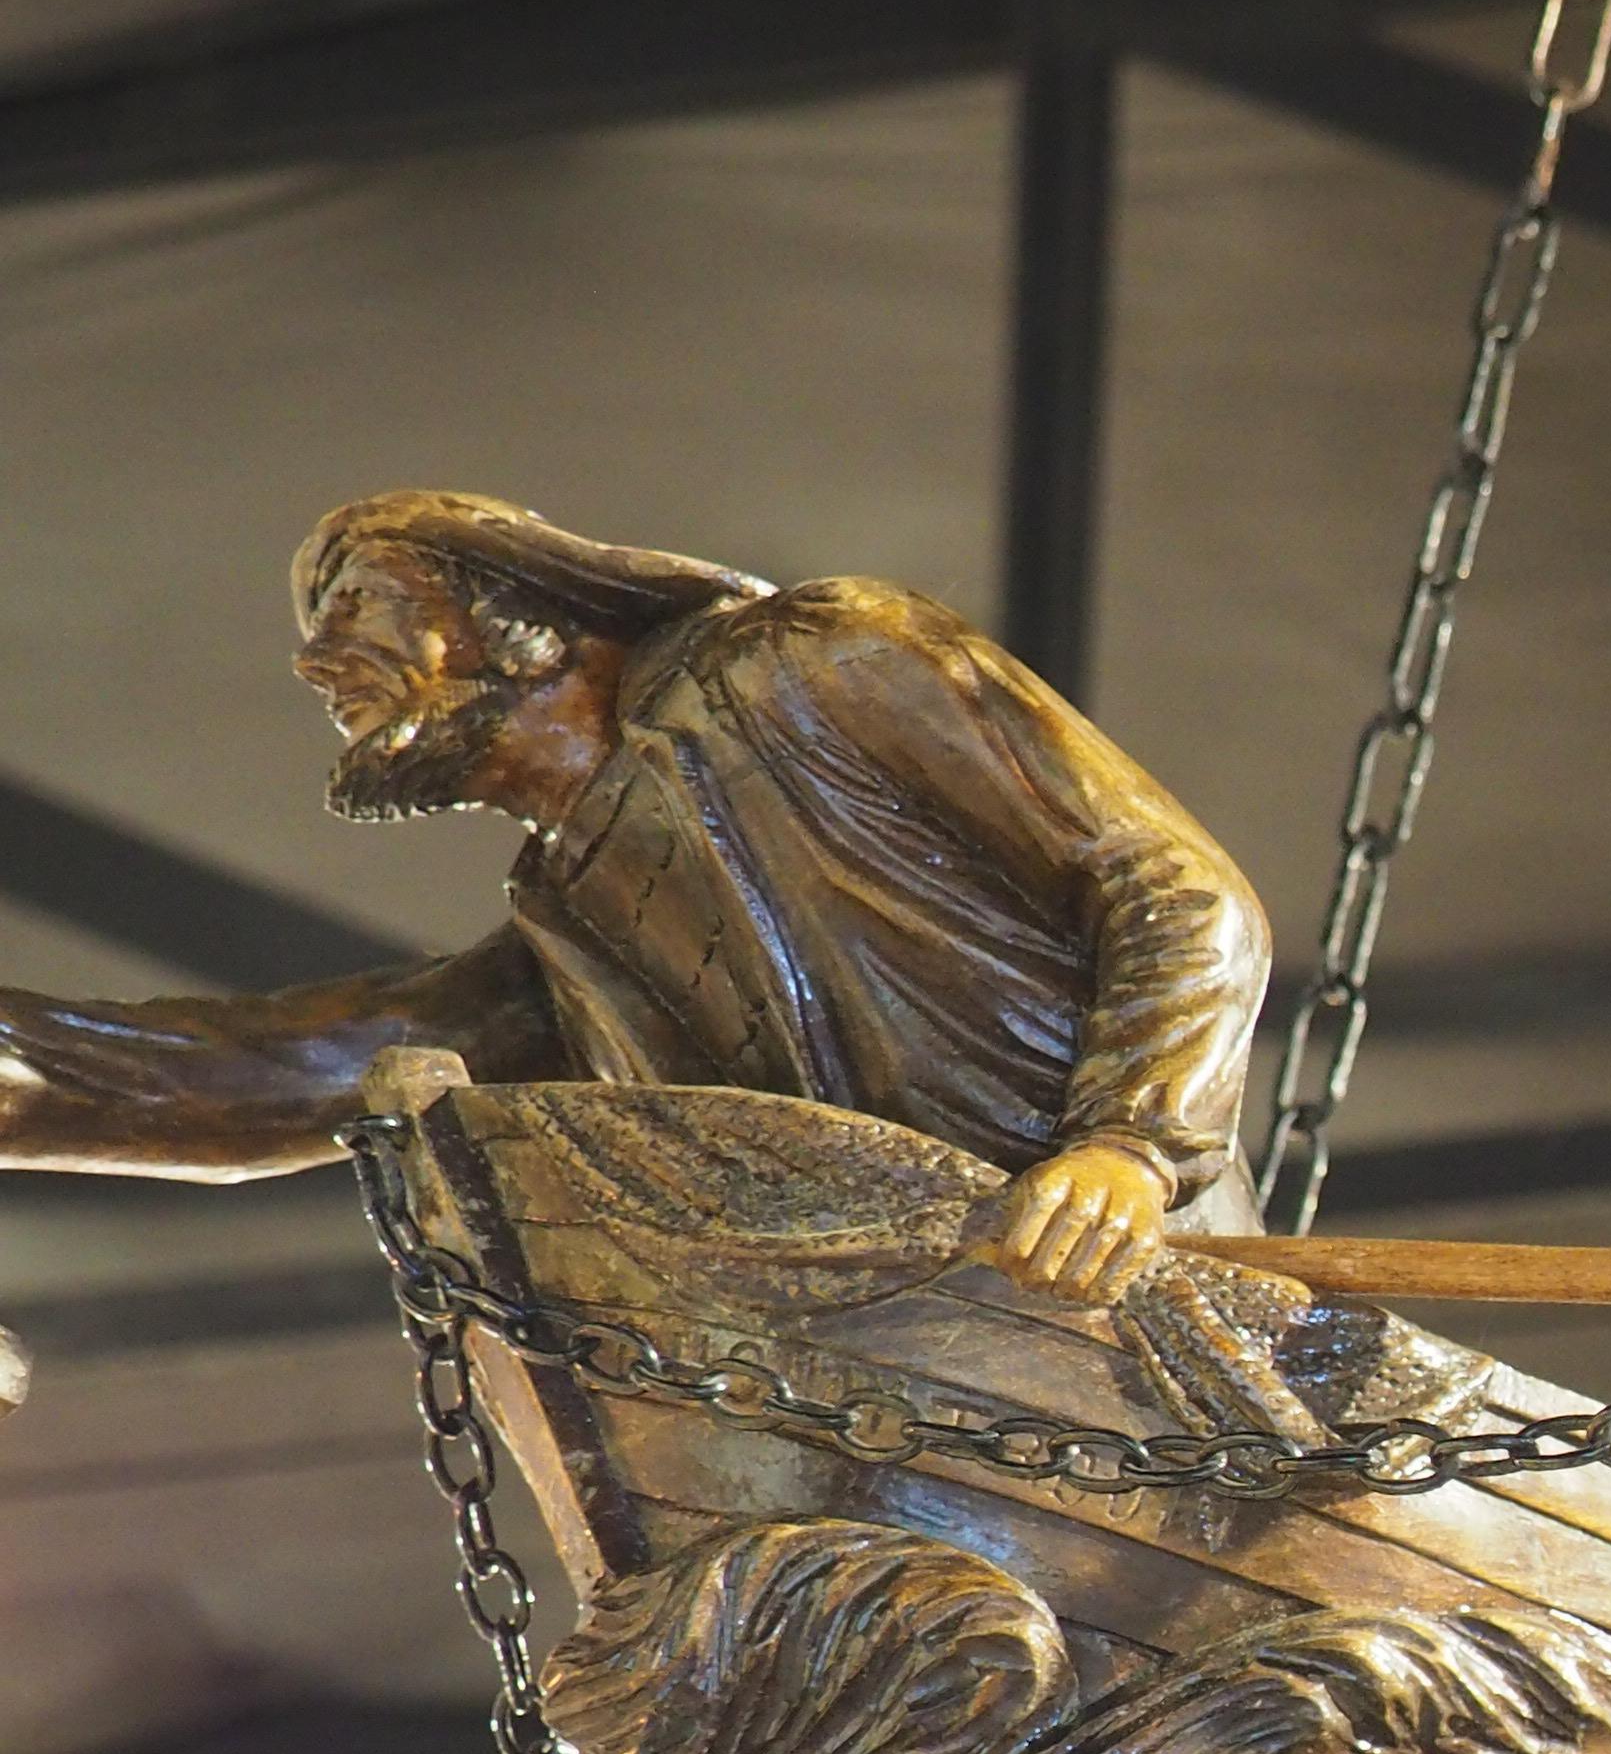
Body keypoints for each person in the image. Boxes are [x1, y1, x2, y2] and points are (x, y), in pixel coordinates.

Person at [0, 492, 1270, 1295]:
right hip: (939, 1335)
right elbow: (286, 1075)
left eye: (361, 602)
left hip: (1153, 1273)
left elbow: (1167, 884)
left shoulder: (813, 664)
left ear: (518, 601)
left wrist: (1130, 1148)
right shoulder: (573, 932)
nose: (316, 658)